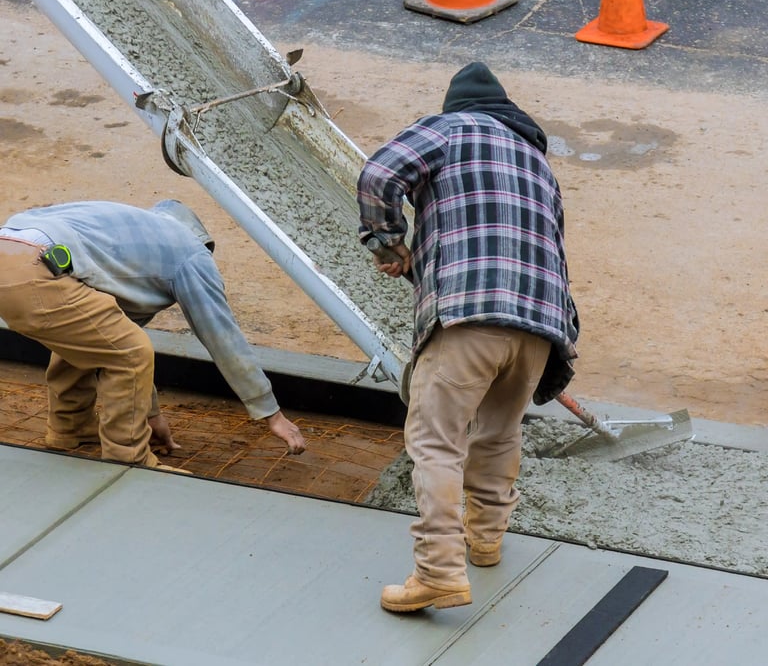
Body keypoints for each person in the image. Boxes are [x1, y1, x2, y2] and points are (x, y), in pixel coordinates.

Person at [357, 62, 579, 612]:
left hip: (467, 316)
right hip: (538, 328)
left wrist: (389, 244)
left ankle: (437, 572)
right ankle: (485, 541)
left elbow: (380, 175)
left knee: (436, 442)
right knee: (499, 434)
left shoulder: (450, 128)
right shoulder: (539, 165)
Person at [0, 199, 305, 472]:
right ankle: (127, 456)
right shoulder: (190, 252)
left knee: (89, 337)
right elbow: (223, 337)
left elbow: (104, 335)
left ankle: (70, 428)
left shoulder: (125, 234)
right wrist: (271, 413)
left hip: (12, 250)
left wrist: (150, 413)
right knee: (131, 353)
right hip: (38, 268)